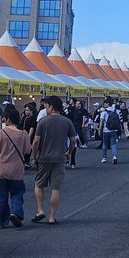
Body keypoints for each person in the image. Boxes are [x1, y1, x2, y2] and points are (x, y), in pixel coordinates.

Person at [32, 95, 78, 225]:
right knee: (55, 188)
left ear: (51, 107)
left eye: (46, 106)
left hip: (44, 158)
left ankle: (40, 210)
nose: (45, 108)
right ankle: (52, 217)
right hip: (59, 158)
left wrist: (34, 158)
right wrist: (69, 152)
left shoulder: (43, 122)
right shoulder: (67, 121)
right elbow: (74, 140)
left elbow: (36, 141)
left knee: (39, 184)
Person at [0, 109, 29, 229]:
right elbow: (27, 150)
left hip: (1, 169)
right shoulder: (24, 134)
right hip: (16, 170)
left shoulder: (0, 133)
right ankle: (15, 212)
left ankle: (1, 222)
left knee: (1, 196)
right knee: (17, 193)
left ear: (9, 119)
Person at [98, 98, 120, 164]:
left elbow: (101, 121)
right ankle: (115, 156)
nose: (104, 105)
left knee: (105, 144)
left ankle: (104, 157)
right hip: (114, 130)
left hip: (106, 130)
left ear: (107, 103)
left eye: (104, 103)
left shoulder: (104, 112)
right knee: (113, 144)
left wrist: (99, 129)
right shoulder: (116, 111)